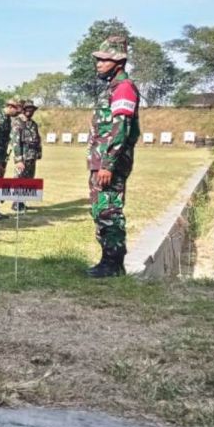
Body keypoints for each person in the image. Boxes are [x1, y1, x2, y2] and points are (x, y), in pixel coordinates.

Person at [86, 36, 140, 278]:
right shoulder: (112, 88)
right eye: (98, 59)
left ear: (118, 62)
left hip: (111, 164)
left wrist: (107, 164)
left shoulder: (124, 88)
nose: (99, 63)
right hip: (102, 162)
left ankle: (113, 264)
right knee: (101, 210)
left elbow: (121, 128)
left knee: (109, 211)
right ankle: (108, 260)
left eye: (104, 59)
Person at [11, 99, 42, 213]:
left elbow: (37, 139)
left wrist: (39, 152)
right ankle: (16, 203)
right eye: (28, 108)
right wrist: (18, 159)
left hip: (31, 156)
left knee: (29, 179)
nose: (30, 111)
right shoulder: (18, 122)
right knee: (19, 178)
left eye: (32, 109)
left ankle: (22, 202)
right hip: (23, 156)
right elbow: (15, 141)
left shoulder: (33, 124)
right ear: (23, 110)